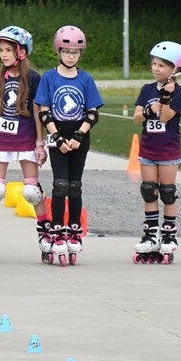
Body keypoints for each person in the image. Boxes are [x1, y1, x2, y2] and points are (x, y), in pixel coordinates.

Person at [0, 26, 46, 263]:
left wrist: (40, 143)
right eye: (1, 50)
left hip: (26, 138)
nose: (3, 54)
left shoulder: (33, 78)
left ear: (21, 52)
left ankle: (46, 231)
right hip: (2, 140)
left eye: (8, 50)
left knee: (32, 191)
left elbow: (37, 113)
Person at [34, 26, 103, 266]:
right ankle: (56, 229)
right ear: (58, 51)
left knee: (75, 186)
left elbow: (92, 113)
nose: (71, 56)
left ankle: (73, 229)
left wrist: (78, 136)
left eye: (75, 52)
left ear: (80, 53)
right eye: (66, 52)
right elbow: (44, 113)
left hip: (79, 138)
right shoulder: (49, 78)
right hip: (58, 137)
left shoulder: (85, 79)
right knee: (60, 184)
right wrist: (59, 138)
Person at [131, 41, 181, 264]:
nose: (156, 68)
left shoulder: (179, 92)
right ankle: (151, 235)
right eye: (154, 64)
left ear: (175, 69)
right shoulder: (147, 89)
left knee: (167, 192)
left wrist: (164, 98)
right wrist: (148, 110)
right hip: (148, 148)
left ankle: (169, 235)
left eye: (162, 65)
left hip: (168, 150)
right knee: (148, 191)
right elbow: (137, 118)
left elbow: (164, 117)